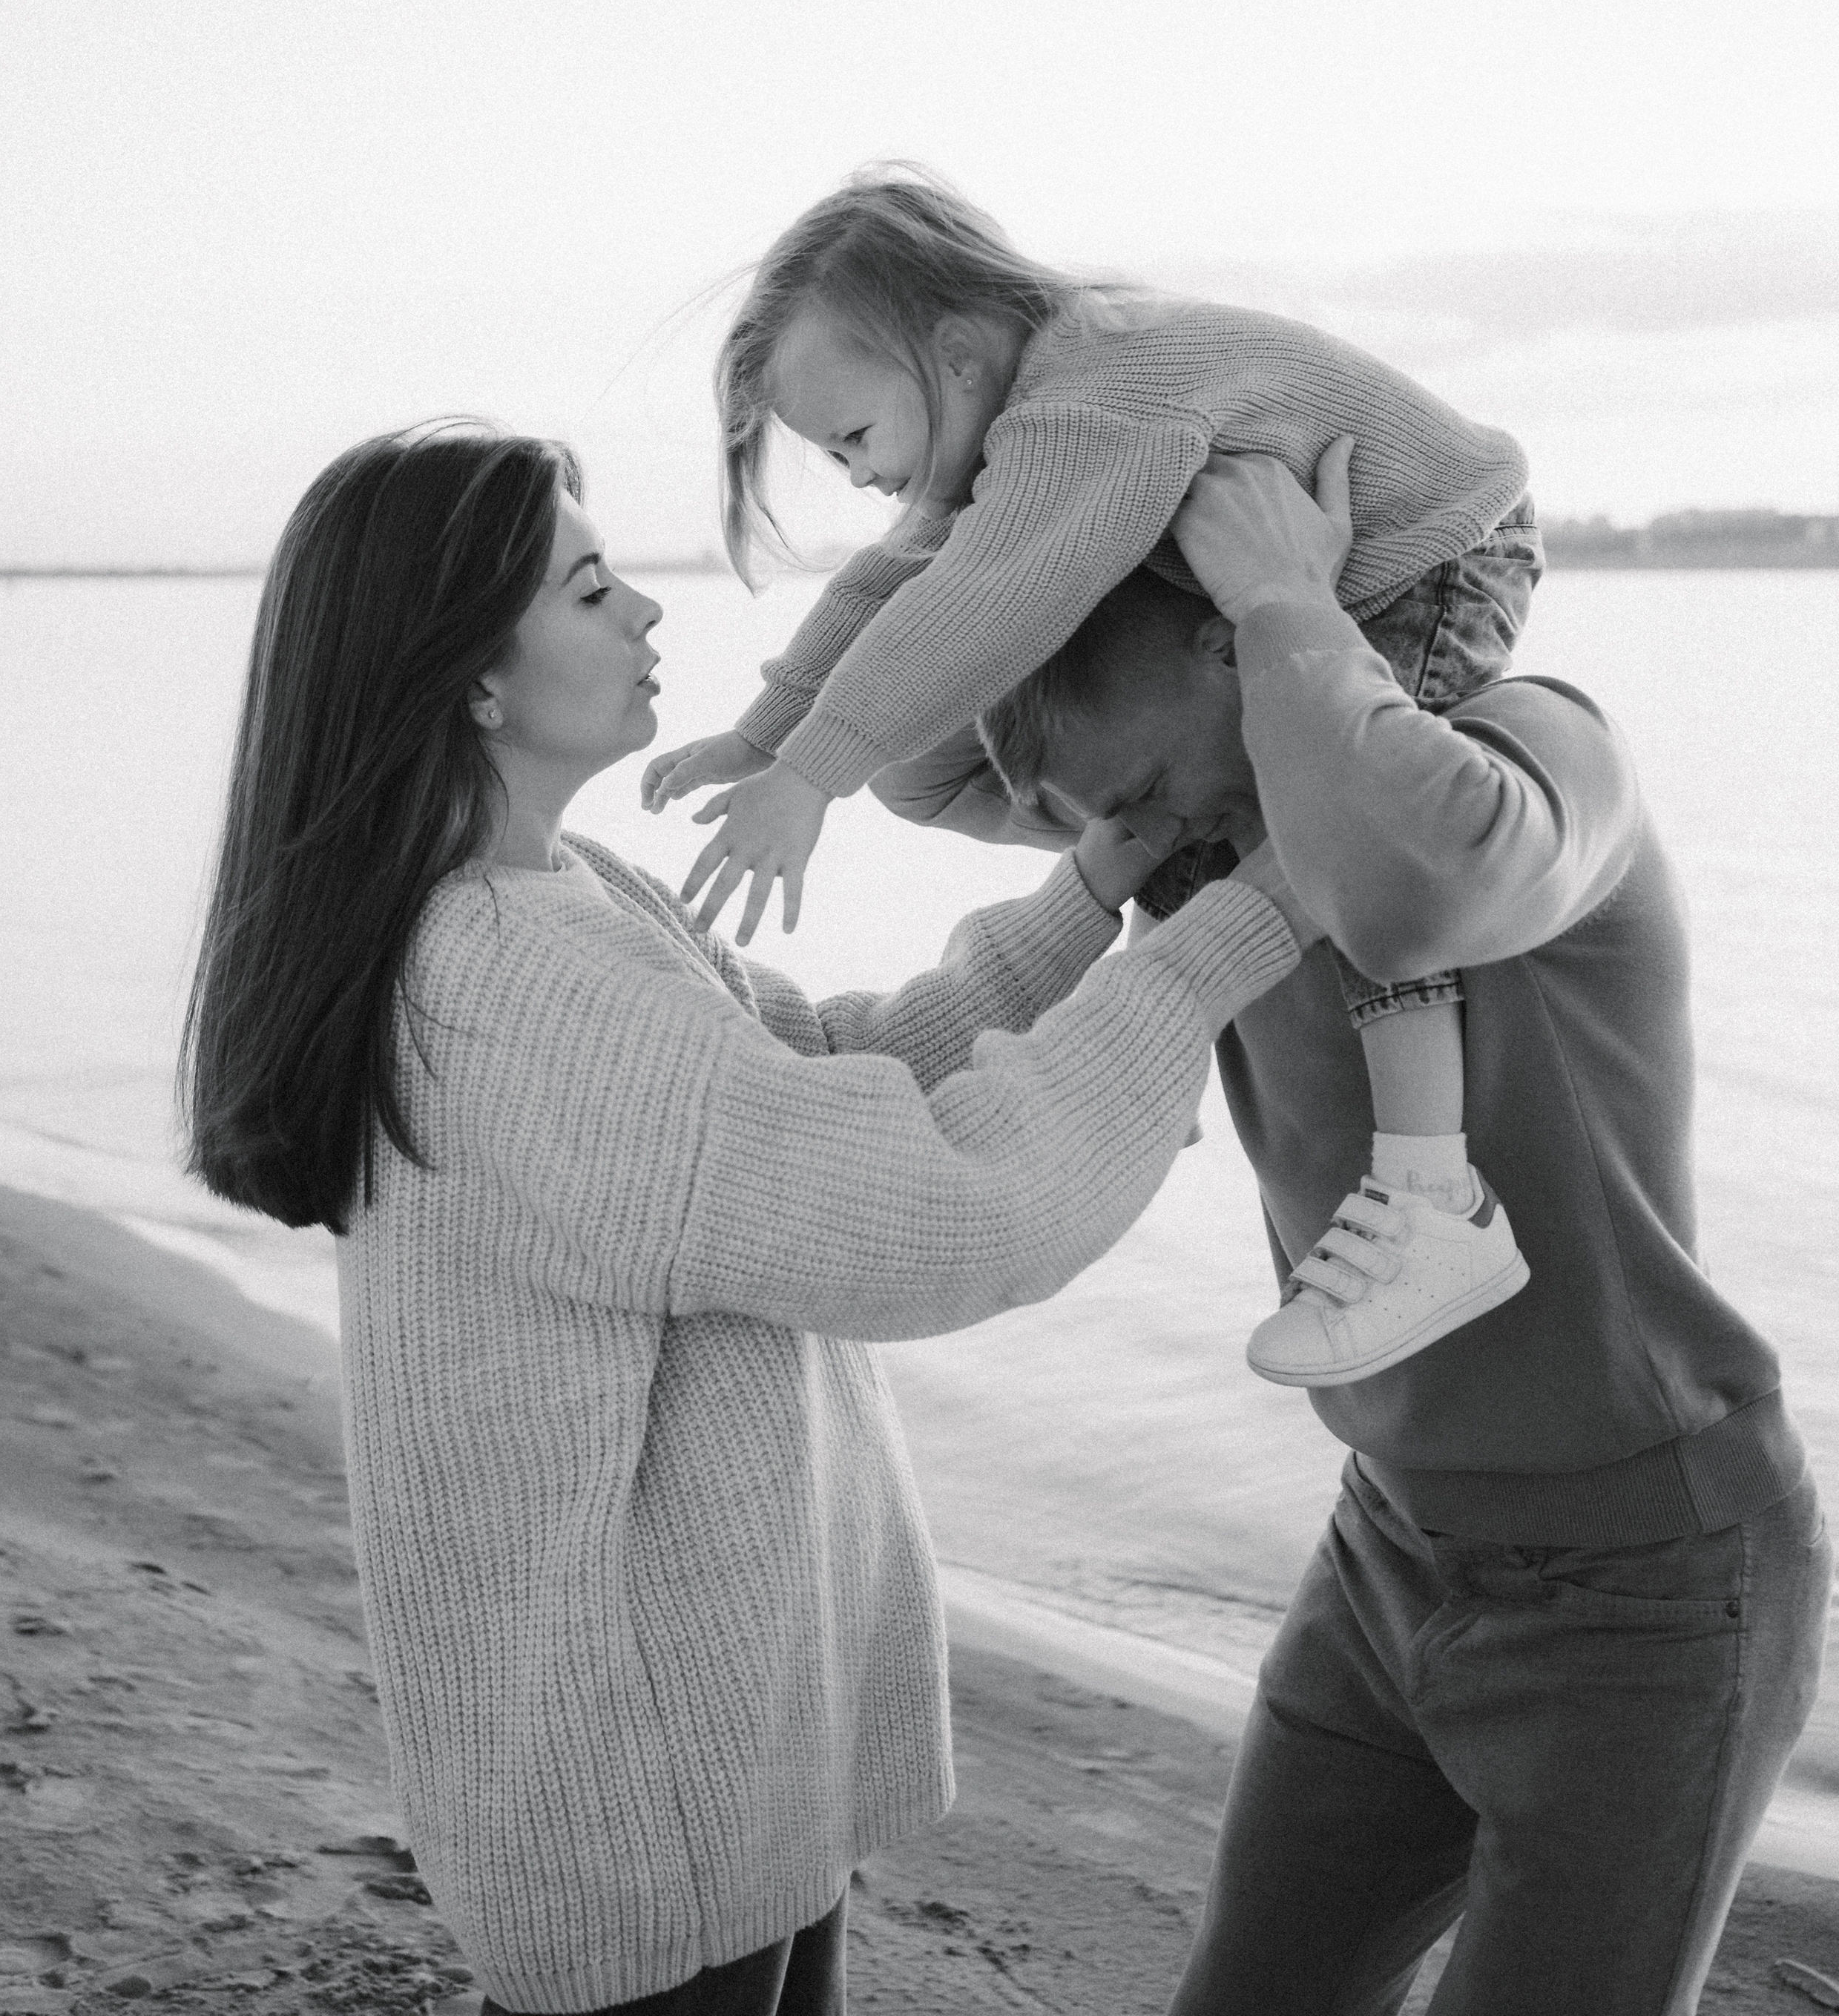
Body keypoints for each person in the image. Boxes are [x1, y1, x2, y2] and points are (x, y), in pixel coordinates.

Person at [177, 419, 1315, 2016]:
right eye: (589, 590)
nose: (645, 610)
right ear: (472, 682)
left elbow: (818, 1071)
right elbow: (933, 1219)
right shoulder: (504, 981)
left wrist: (1089, 896)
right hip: (640, 1776)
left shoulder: (558, 898)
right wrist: (1229, 941)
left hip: (717, 1725)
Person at [971, 445, 1831, 2016]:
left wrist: (1283, 596)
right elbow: (923, 770)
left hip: (1648, 1588)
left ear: (1230, 648)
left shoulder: (1531, 748)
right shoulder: (1221, 857)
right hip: (1384, 1548)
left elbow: (1428, 880)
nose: (1149, 835)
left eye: (1147, 790)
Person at [646, 162, 1539, 1386]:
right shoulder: (1033, 404)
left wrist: (813, 774)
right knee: (1218, 823)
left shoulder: (1090, 404)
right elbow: (888, 580)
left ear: (956, 356)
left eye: (854, 437)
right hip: (1342, 574)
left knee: (1351, 844)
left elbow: (978, 605)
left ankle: (1436, 1196)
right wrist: (766, 734)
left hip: (1435, 558)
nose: (854, 475)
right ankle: (1146, 1060)